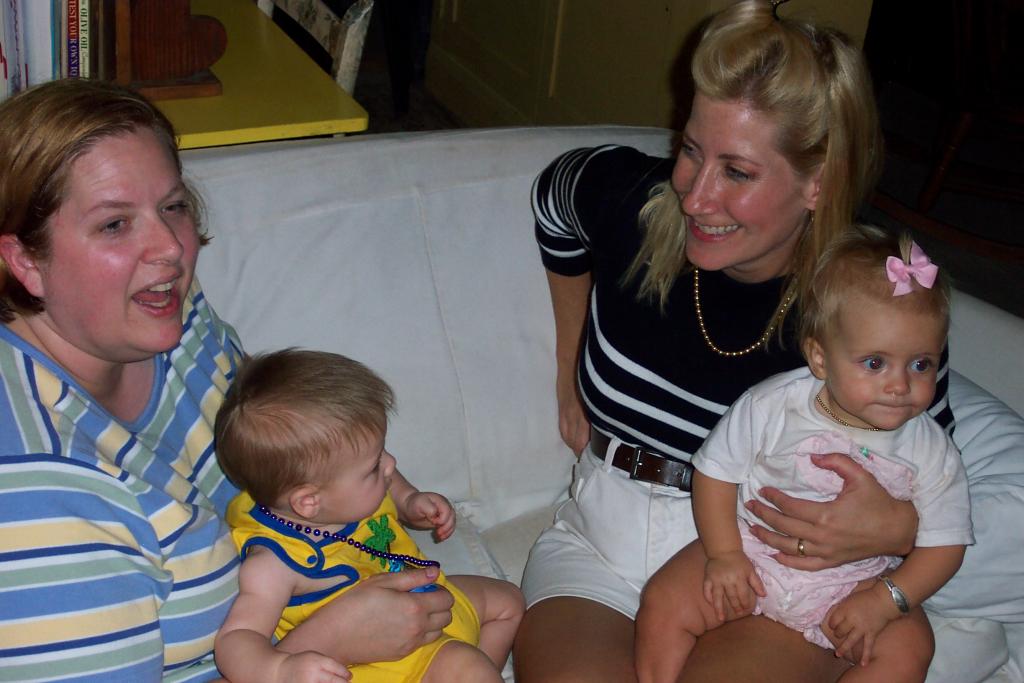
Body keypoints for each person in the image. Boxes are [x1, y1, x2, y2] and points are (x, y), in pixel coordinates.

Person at [514, 1, 956, 681]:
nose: (695, 196)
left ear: (818, 182)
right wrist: (569, 365)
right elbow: (555, 198)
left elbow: (935, 473)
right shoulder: (630, 204)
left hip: (765, 579)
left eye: (738, 172)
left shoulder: (872, 306)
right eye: (691, 150)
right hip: (599, 543)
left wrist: (898, 528)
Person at [0, 79, 454, 682]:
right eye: (114, 224)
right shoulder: (34, 482)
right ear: (25, 261)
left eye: (173, 207)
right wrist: (326, 640)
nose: (170, 247)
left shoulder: (172, 320)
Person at [636, 226, 972, 683]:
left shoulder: (931, 450)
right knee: (663, 601)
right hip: (754, 555)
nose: (899, 385)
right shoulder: (772, 404)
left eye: (921, 364)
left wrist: (887, 599)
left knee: (911, 649)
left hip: (856, 583)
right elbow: (714, 474)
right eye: (875, 363)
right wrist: (724, 554)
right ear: (820, 358)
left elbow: (947, 545)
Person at [213, 348, 524, 683]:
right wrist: (278, 670)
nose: (390, 464)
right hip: (382, 661)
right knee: (468, 666)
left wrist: (410, 501)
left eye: (382, 450)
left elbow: (392, 484)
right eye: (374, 466)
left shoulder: (345, 491)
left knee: (507, 602)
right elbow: (237, 638)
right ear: (308, 502)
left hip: (424, 596)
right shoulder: (274, 564)